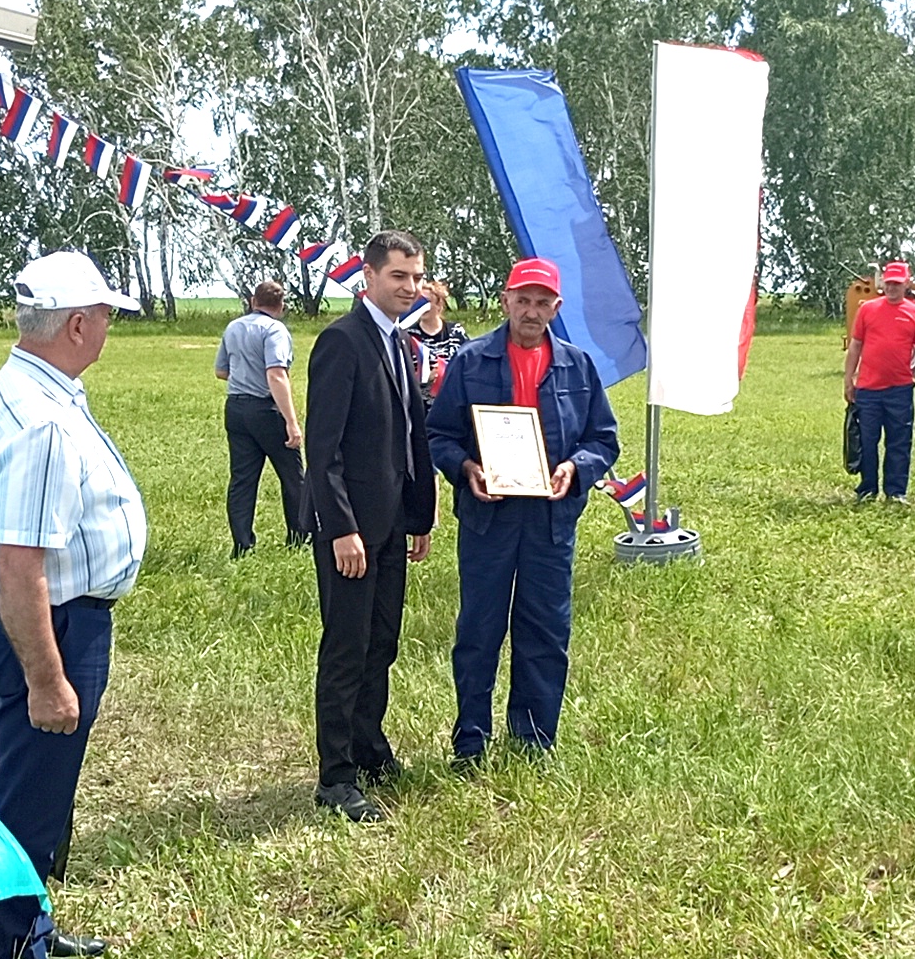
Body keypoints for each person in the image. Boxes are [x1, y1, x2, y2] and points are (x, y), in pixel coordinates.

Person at [0, 250, 146, 959]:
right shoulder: (40, 421)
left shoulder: (32, 391)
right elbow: (20, 567)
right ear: (76, 323)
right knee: (31, 787)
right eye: (104, 314)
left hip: (51, 615)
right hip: (51, 623)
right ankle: (9, 956)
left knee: (37, 780)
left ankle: (30, 923)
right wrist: (47, 680)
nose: (108, 327)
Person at [426, 257, 618, 771]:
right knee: (479, 629)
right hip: (489, 518)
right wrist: (466, 467)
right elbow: (437, 434)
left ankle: (534, 739)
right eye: (523, 299)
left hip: (551, 524)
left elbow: (604, 439)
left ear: (555, 308)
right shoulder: (470, 362)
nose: (531, 311)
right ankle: (471, 739)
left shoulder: (578, 367)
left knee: (545, 631)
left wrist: (575, 469)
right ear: (506, 299)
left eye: (542, 302)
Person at [304, 229, 436, 824]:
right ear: (368, 278)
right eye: (398, 277)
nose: (410, 288)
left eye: (416, 277)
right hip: (351, 533)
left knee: (382, 643)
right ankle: (335, 776)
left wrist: (419, 515)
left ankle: (369, 747)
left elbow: (409, 435)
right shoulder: (342, 343)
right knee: (347, 648)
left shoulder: (400, 345)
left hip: (391, 525)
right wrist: (342, 529)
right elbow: (323, 450)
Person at [216, 280, 309, 557]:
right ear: (280, 306)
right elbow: (276, 374)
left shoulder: (233, 327)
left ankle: (242, 545)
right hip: (265, 410)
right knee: (293, 476)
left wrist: (244, 376)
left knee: (242, 480)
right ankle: (299, 537)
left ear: (253, 301)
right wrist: (291, 422)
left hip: (236, 408)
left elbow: (221, 371)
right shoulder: (274, 330)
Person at [843, 261, 915, 503]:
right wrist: (848, 379)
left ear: (906, 283)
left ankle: (896, 492)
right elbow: (856, 346)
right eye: (889, 283)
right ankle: (867, 489)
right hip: (868, 389)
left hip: (900, 389)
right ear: (883, 283)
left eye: (897, 283)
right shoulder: (867, 309)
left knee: (899, 442)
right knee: (867, 441)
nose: (892, 287)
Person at [407, 278, 468, 405]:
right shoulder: (408, 335)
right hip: (420, 406)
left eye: (426, 302)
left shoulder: (456, 332)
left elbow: (469, 364)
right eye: (418, 301)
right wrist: (426, 377)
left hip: (452, 403)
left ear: (439, 305)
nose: (421, 307)